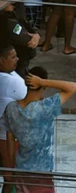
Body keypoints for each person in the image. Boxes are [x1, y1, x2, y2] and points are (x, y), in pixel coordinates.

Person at [3, 67, 76, 193]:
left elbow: (10, 141)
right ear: (42, 86)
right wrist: (42, 81)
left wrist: (12, 168)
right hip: (42, 173)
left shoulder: (11, 109)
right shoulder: (46, 107)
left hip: (21, 170)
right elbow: (72, 87)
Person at [0, 45, 25, 190]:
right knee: (12, 178)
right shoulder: (9, 82)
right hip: (7, 138)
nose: (17, 59)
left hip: (8, 135)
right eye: (13, 57)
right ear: (2, 60)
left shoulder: (11, 76)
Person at [0, 2, 39, 77]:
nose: (14, 5)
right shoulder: (7, 21)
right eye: (12, 3)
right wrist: (34, 36)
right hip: (14, 64)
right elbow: (25, 38)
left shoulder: (11, 17)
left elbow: (26, 24)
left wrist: (36, 35)